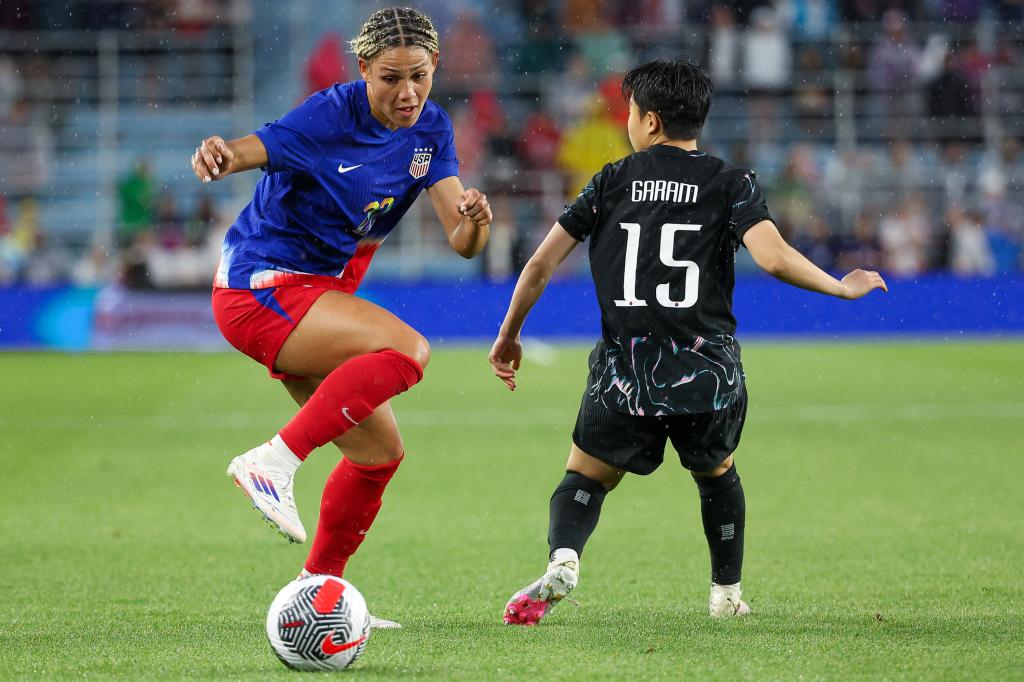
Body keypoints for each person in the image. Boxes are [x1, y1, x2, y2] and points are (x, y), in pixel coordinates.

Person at [489, 59, 886, 624]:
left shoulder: (611, 180)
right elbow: (772, 258)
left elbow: (538, 266)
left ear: (649, 121)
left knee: (584, 477)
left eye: (629, 111)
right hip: (705, 371)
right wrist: (840, 288)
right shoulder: (731, 182)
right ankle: (726, 597)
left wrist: (509, 335)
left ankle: (566, 557)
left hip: (626, 370)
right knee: (716, 474)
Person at [190, 7, 490, 621]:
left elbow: (460, 240)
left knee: (379, 453)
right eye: (390, 78)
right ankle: (272, 462)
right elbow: (253, 149)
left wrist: (476, 223)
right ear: (363, 71)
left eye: (420, 76)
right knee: (409, 351)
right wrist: (219, 155)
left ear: (435, 68)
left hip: (312, 295)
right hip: (259, 286)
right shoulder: (329, 113)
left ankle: (317, 598)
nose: (407, 92)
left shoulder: (431, 129)